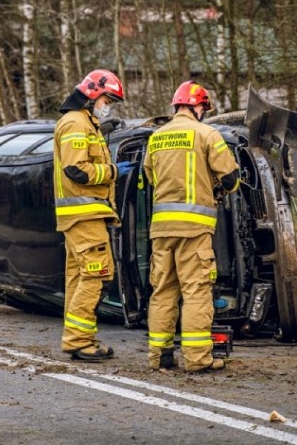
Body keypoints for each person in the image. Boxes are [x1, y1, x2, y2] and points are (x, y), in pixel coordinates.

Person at [143, 81, 241, 373]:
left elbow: (150, 176)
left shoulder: (156, 138)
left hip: (161, 230)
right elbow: (231, 178)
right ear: (199, 107)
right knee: (196, 293)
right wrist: (215, 189)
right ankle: (198, 359)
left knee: (162, 292)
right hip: (194, 230)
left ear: (177, 106)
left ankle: (159, 357)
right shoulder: (207, 134)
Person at [53, 69, 128, 361]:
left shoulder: (84, 122)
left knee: (79, 277)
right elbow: (76, 169)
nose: (108, 105)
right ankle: (79, 341)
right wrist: (111, 172)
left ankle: (76, 338)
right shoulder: (75, 123)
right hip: (84, 214)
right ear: (94, 94)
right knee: (98, 272)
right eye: (108, 99)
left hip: (82, 215)